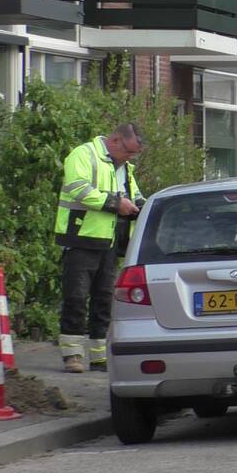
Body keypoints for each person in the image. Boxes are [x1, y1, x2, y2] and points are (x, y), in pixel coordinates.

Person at [55, 123, 145, 373]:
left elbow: (134, 195)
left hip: (109, 242)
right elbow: (79, 189)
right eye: (129, 152)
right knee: (76, 297)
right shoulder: (83, 155)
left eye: (134, 154)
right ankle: (72, 355)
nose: (130, 158)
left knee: (104, 300)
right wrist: (116, 204)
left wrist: (144, 207)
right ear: (115, 140)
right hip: (80, 239)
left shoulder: (123, 166)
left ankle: (99, 357)